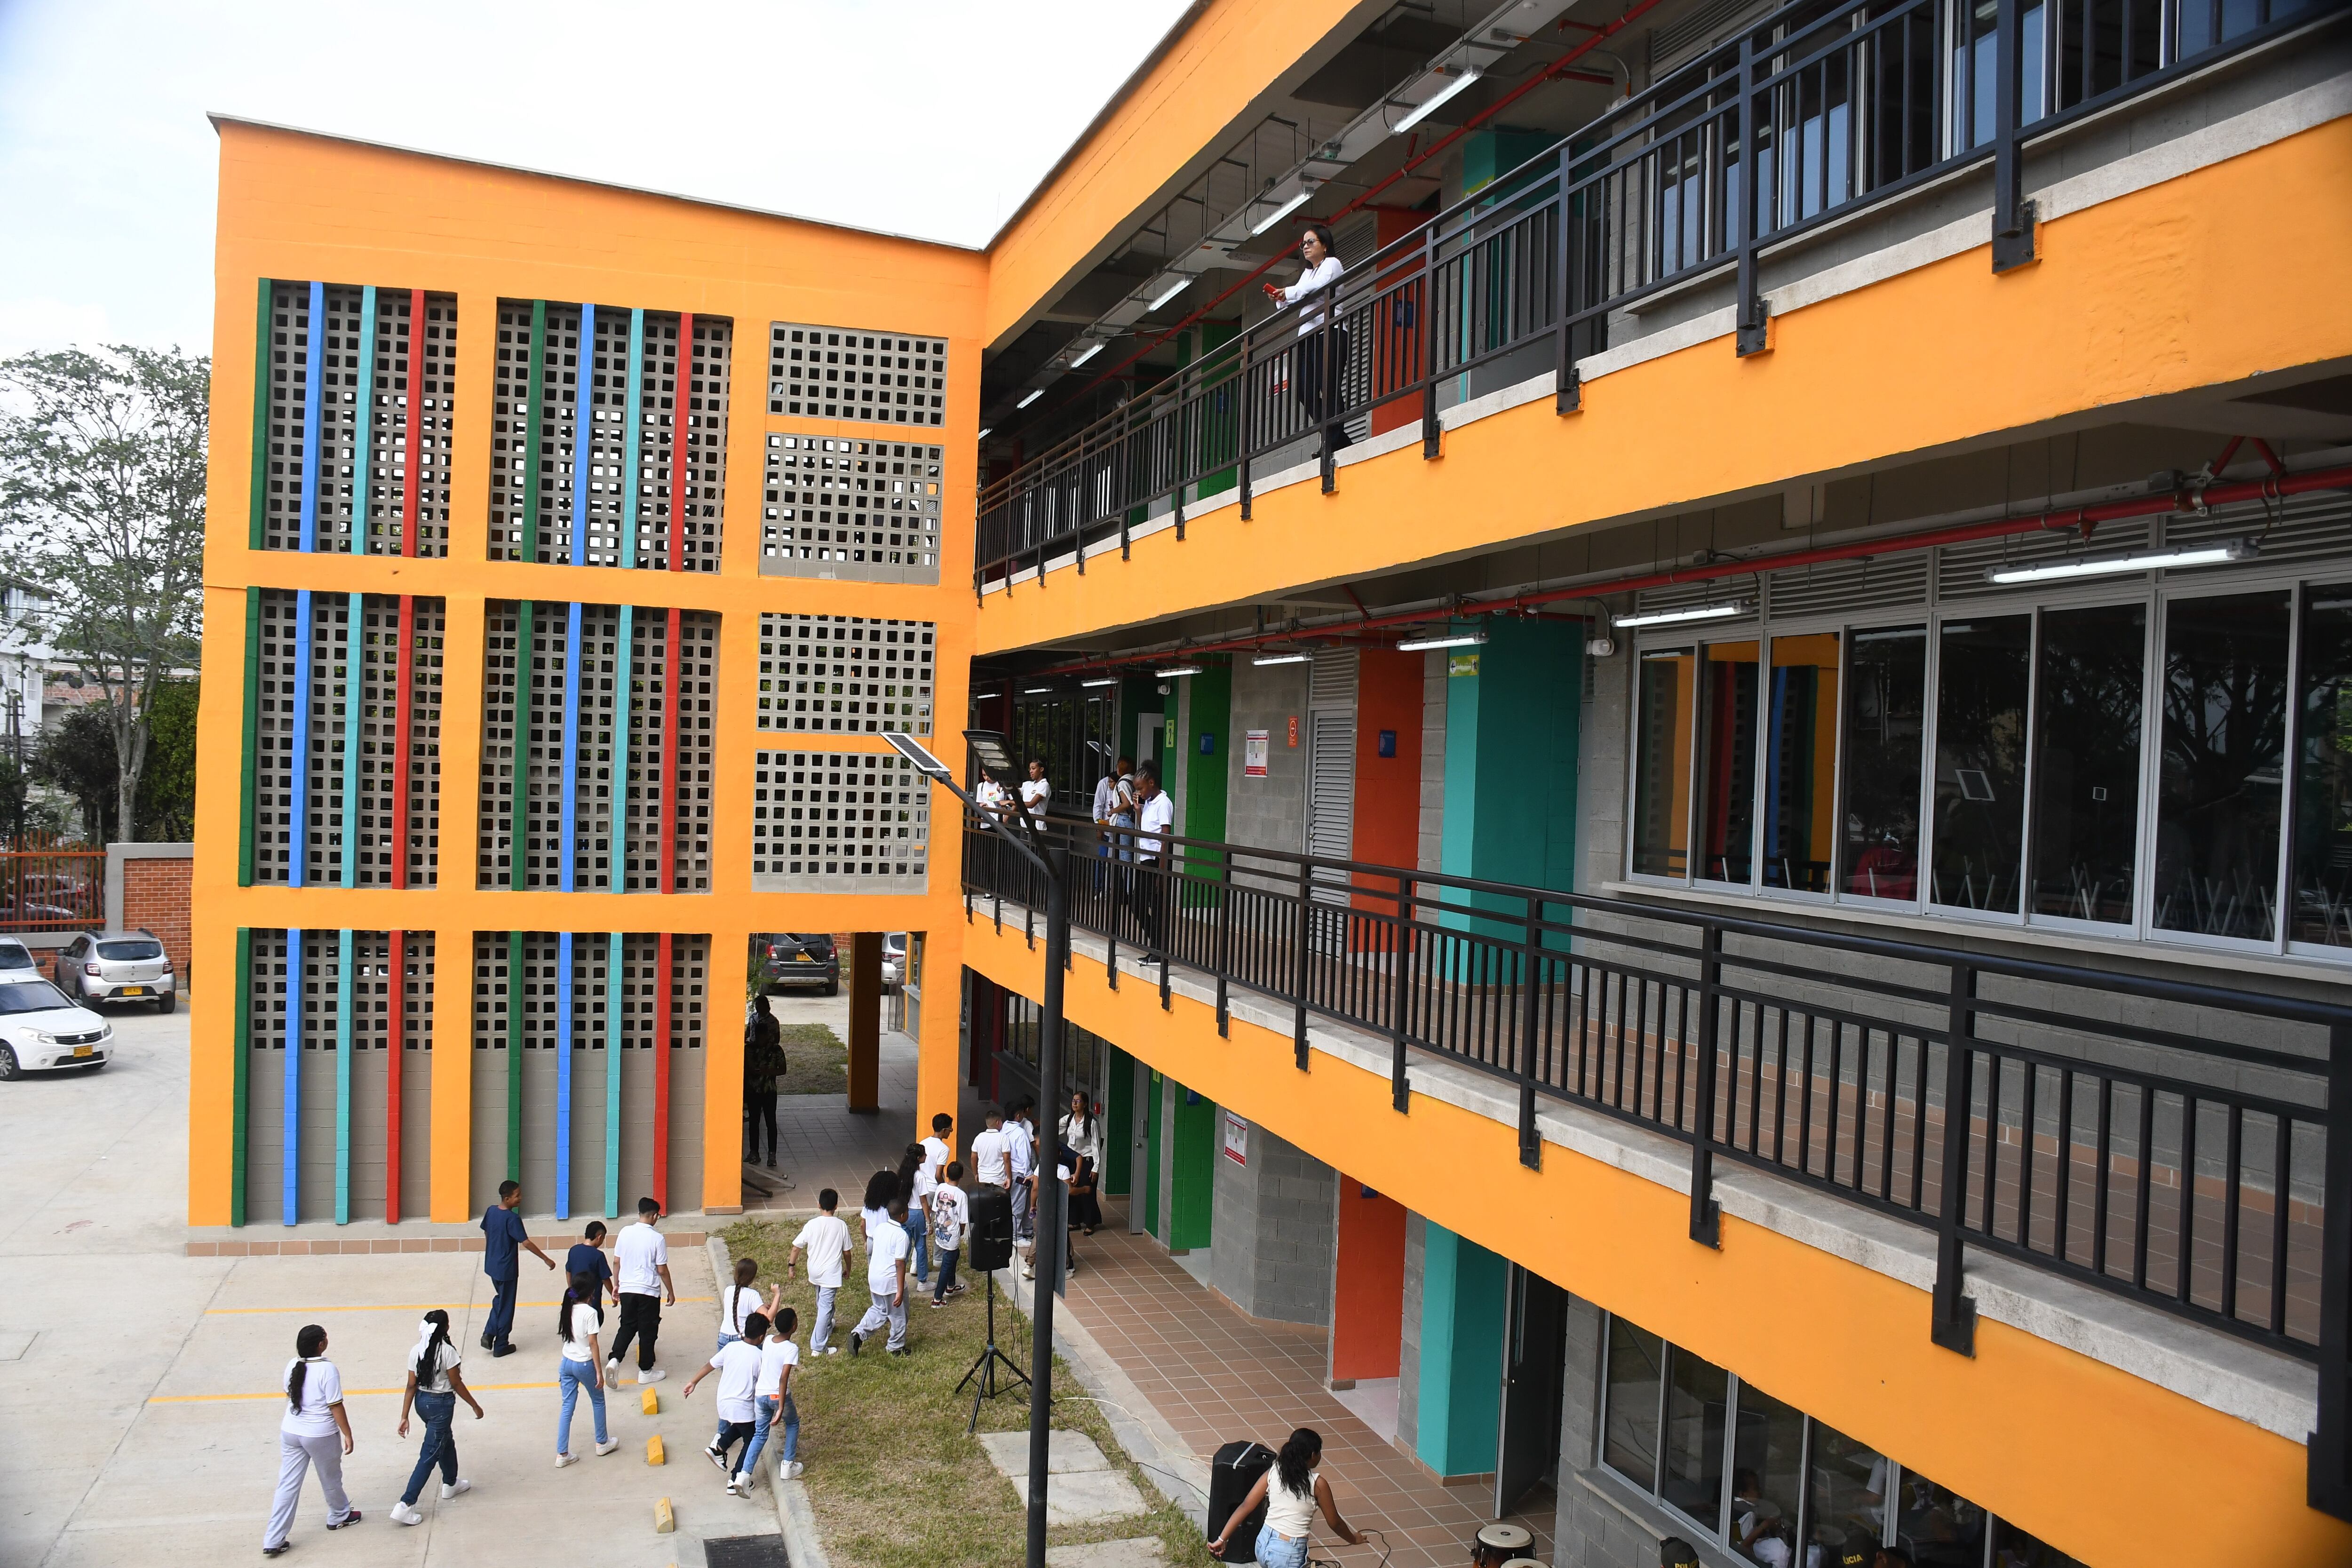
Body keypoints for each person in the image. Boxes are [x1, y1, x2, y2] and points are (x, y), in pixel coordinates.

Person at [262, 1324, 359, 1555]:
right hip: (320, 1434)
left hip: (291, 1431)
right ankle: (339, 1514)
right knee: (330, 1477)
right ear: (321, 1344)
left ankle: (273, 1539)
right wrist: (347, 1433)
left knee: (287, 1484)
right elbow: (335, 1406)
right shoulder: (328, 1369)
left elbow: (290, 1393)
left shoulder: (292, 1365)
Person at [1205, 1427, 1364, 1568]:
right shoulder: (1318, 1484)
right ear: (1313, 1455)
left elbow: (1246, 1505)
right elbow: (1335, 1523)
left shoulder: (1275, 1471)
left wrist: (1222, 1539)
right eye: (1319, 1452)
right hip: (1287, 1553)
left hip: (1263, 1544)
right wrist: (1353, 1539)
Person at [1261, 223, 1350, 454]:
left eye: (1311, 242)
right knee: (1304, 390)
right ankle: (1337, 437)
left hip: (1330, 331)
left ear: (1325, 245)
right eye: (1303, 244)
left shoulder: (1332, 264)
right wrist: (1281, 298)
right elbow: (1298, 297)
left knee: (1328, 387)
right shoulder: (1307, 273)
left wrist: (1289, 292)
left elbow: (1317, 288)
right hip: (1308, 336)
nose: (1306, 247)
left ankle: (1332, 440)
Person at [390, 1309, 482, 1526]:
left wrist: (405, 1416)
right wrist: (475, 1406)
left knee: (445, 1440)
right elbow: (456, 1383)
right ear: (446, 1328)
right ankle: (406, 1504)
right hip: (441, 1406)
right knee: (430, 1453)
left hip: (422, 1403)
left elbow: (411, 1385)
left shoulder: (416, 1351)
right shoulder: (448, 1352)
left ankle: (451, 1482)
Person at [683, 1311, 769, 1499]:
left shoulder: (731, 1348)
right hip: (743, 1406)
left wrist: (693, 1382)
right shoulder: (760, 1356)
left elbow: (710, 1365)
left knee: (744, 1426)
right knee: (752, 1438)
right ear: (762, 1337)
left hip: (723, 1403)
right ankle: (736, 1478)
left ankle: (719, 1447)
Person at [479, 1178, 555, 1357]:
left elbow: (487, 1231)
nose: (520, 1198)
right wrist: (546, 1259)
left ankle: (489, 1332)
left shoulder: (491, 1211)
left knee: (500, 1299)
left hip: (492, 1265)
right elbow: (526, 1242)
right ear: (507, 1199)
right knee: (506, 1306)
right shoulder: (512, 1219)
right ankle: (501, 1345)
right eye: (517, 1196)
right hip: (507, 1270)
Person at [605, 1196, 675, 1384]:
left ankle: (615, 1359)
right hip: (648, 1291)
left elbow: (617, 1262)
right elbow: (662, 1270)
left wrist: (617, 1284)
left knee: (627, 1326)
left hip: (627, 1288)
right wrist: (670, 1291)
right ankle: (646, 1371)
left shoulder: (625, 1232)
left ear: (639, 1213)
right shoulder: (657, 1238)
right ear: (655, 1216)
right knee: (647, 1331)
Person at [553, 1270, 620, 1466]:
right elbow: (593, 1344)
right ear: (591, 1293)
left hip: (566, 1362)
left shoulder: (568, 1308)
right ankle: (602, 1442)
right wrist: (599, 1371)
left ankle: (562, 1454)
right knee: (598, 1400)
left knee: (567, 1406)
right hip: (584, 1363)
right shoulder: (590, 1313)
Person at [739, 1305, 803, 1482]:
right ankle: (788, 1465)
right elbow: (783, 1378)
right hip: (777, 1395)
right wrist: (781, 1407)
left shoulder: (767, 1340)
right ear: (794, 1327)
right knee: (792, 1423)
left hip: (761, 1395)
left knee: (760, 1434)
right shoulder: (791, 1349)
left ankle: (744, 1474)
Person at [788, 1187, 853, 1355]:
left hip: (814, 1272)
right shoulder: (841, 1225)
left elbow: (796, 1247)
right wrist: (848, 1268)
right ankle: (818, 1347)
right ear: (836, 1206)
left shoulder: (811, 1224)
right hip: (830, 1274)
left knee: (823, 1302)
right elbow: (847, 1252)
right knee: (825, 1307)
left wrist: (791, 1266)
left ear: (819, 1205)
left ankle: (828, 1325)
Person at [849, 1194, 913, 1357]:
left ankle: (858, 1333)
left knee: (879, 1309)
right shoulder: (901, 1235)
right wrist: (900, 1291)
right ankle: (895, 1347)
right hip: (890, 1282)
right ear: (903, 1215)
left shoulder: (880, 1228)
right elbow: (900, 1264)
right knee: (899, 1315)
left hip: (875, 1277)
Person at [1131, 764, 1175, 958]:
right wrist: (1138, 810)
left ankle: (1159, 951)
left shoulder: (1163, 803)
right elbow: (1144, 829)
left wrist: (1162, 871)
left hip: (1157, 860)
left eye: (1140, 788)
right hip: (1145, 858)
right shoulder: (1148, 802)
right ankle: (1157, 946)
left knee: (1156, 906)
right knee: (1138, 904)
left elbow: (1166, 836)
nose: (1139, 792)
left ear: (1151, 783)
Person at [744, 995, 786, 1170]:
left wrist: (768, 1071)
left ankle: (772, 1154)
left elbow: (782, 1069)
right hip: (754, 1090)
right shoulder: (750, 1050)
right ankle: (754, 1152)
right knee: (754, 1122)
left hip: (769, 1090)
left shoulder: (775, 1049)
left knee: (770, 1122)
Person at [1061, 1089, 1104, 1235]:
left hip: (1087, 1160)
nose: (1074, 1103)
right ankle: (1074, 1221)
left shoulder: (1092, 1123)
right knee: (1073, 1190)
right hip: (1072, 1159)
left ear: (1085, 1104)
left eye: (1078, 1101)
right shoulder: (1069, 1119)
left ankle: (1090, 1223)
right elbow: (1055, 1127)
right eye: (1073, 1101)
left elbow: (1096, 1145)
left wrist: (1096, 1167)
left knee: (1087, 1191)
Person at [929, 1159, 970, 1306]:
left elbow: (935, 1209)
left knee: (954, 1256)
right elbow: (963, 1220)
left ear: (946, 1174)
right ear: (962, 1176)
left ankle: (951, 1286)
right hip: (952, 1234)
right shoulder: (961, 1195)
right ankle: (937, 1299)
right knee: (947, 1264)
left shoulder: (940, 1188)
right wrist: (961, 1232)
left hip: (940, 1231)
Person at [718, 1255, 774, 1352]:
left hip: (724, 1337)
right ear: (752, 1278)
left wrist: (757, 1308)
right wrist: (777, 1295)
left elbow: (738, 1308)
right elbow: (769, 1318)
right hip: (742, 1339)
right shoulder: (753, 1295)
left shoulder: (728, 1290)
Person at [896, 1141, 932, 1287]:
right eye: (924, 1154)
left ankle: (898, 1278)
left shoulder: (902, 1174)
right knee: (921, 1247)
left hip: (904, 1213)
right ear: (918, 1158)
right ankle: (922, 1281)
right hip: (917, 1214)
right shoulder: (920, 1176)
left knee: (904, 1247)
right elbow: (923, 1201)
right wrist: (929, 1222)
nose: (926, 1156)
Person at [1005, 1096, 1037, 1258]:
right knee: (1017, 1207)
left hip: (1008, 1173)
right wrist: (1030, 1174)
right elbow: (1025, 1157)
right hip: (1020, 1174)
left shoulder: (1004, 1128)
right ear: (1018, 1116)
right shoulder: (1020, 1133)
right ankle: (1016, 1236)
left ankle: (1019, 1232)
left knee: (1013, 1204)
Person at [565, 1220, 616, 1306]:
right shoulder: (598, 1255)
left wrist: (572, 1292)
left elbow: (568, 1272)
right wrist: (613, 1295)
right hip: (592, 1301)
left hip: (575, 1300)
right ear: (599, 1237)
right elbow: (605, 1279)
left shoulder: (573, 1250)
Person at [971, 1105, 1011, 1196]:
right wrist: (1009, 1178)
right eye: (1001, 1121)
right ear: (998, 1122)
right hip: (999, 1180)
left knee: (985, 1201)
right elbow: (1007, 1160)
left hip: (983, 1178)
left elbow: (973, 1158)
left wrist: (976, 1174)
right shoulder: (1003, 1138)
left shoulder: (979, 1137)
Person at [1019, 758, 1051, 833]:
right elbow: (1013, 791)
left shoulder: (1044, 785)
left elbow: (1031, 805)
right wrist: (1005, 784)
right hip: (1024, 826)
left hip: (1037, 829)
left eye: (1033, 769)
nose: (1031, 771)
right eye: (1030, 769)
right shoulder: (1028, 784)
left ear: (1041, 769)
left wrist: (1011, 802)